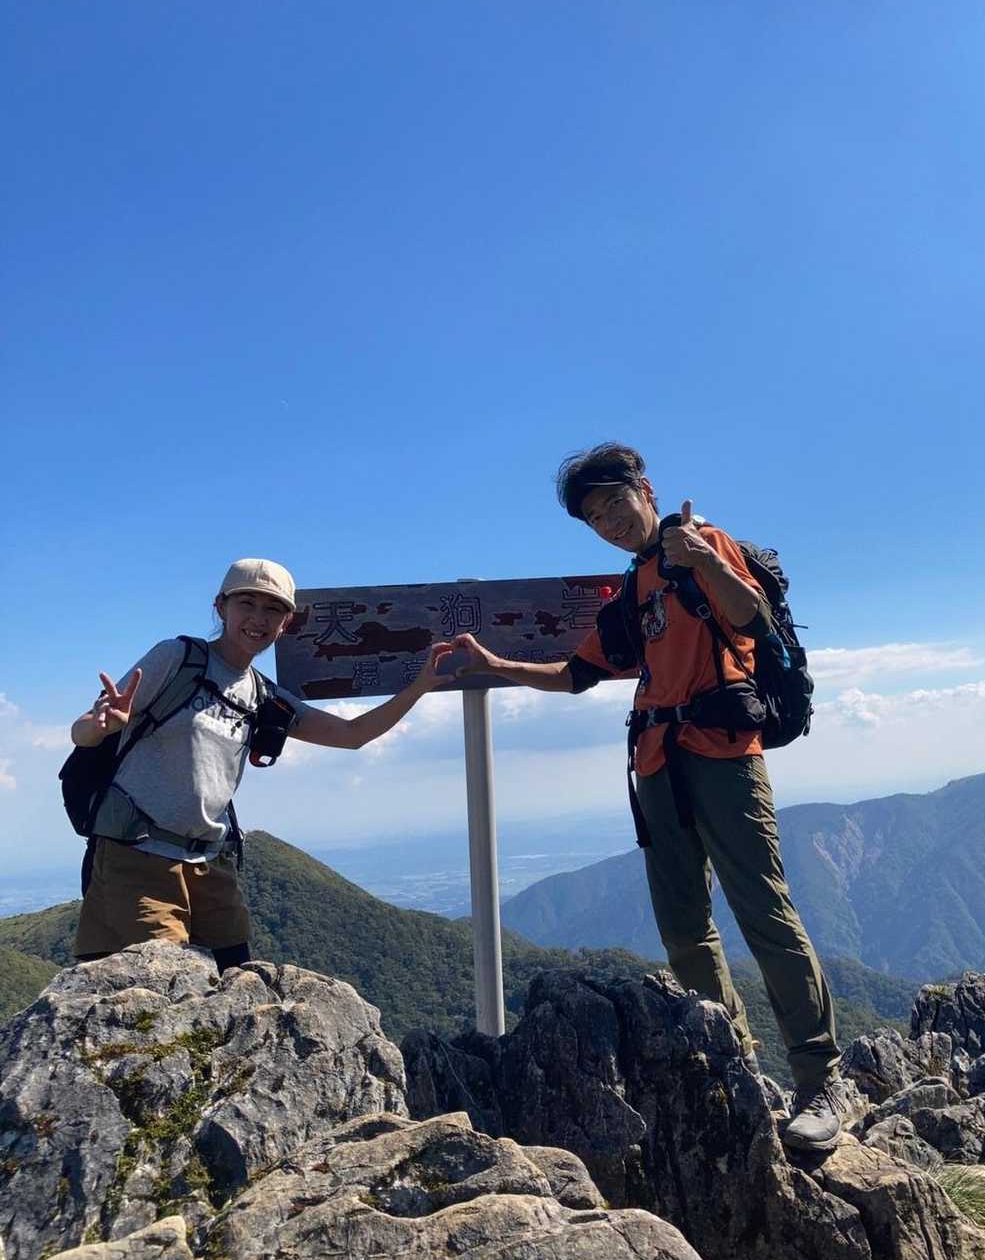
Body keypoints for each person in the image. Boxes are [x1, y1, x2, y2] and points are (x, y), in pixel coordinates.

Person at [451, 444, 844, 1151]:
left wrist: (704, 560)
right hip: (657, 762)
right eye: (595, 517)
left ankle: (821, 1081)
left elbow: (751, 618)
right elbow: (577, 674)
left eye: (615, 504)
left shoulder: (700, 544)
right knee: (685, 930)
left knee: (764, 913)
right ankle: (732, 1065)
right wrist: (494, 664)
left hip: (724, 755)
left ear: (646, 490)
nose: (609, 522)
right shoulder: (634, 588)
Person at [70, 557, 451, 972]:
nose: (258, 618)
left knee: (239, 979)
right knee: (163, 984)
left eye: (273, 609)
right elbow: (83, 730)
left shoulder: (265, 697)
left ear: (286, 623)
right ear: (221, 607)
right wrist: (100, 726)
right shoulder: (177, 659)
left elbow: (351, 734)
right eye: (246, 603)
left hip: (210, 862)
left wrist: (420, 687)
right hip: (138, 856)